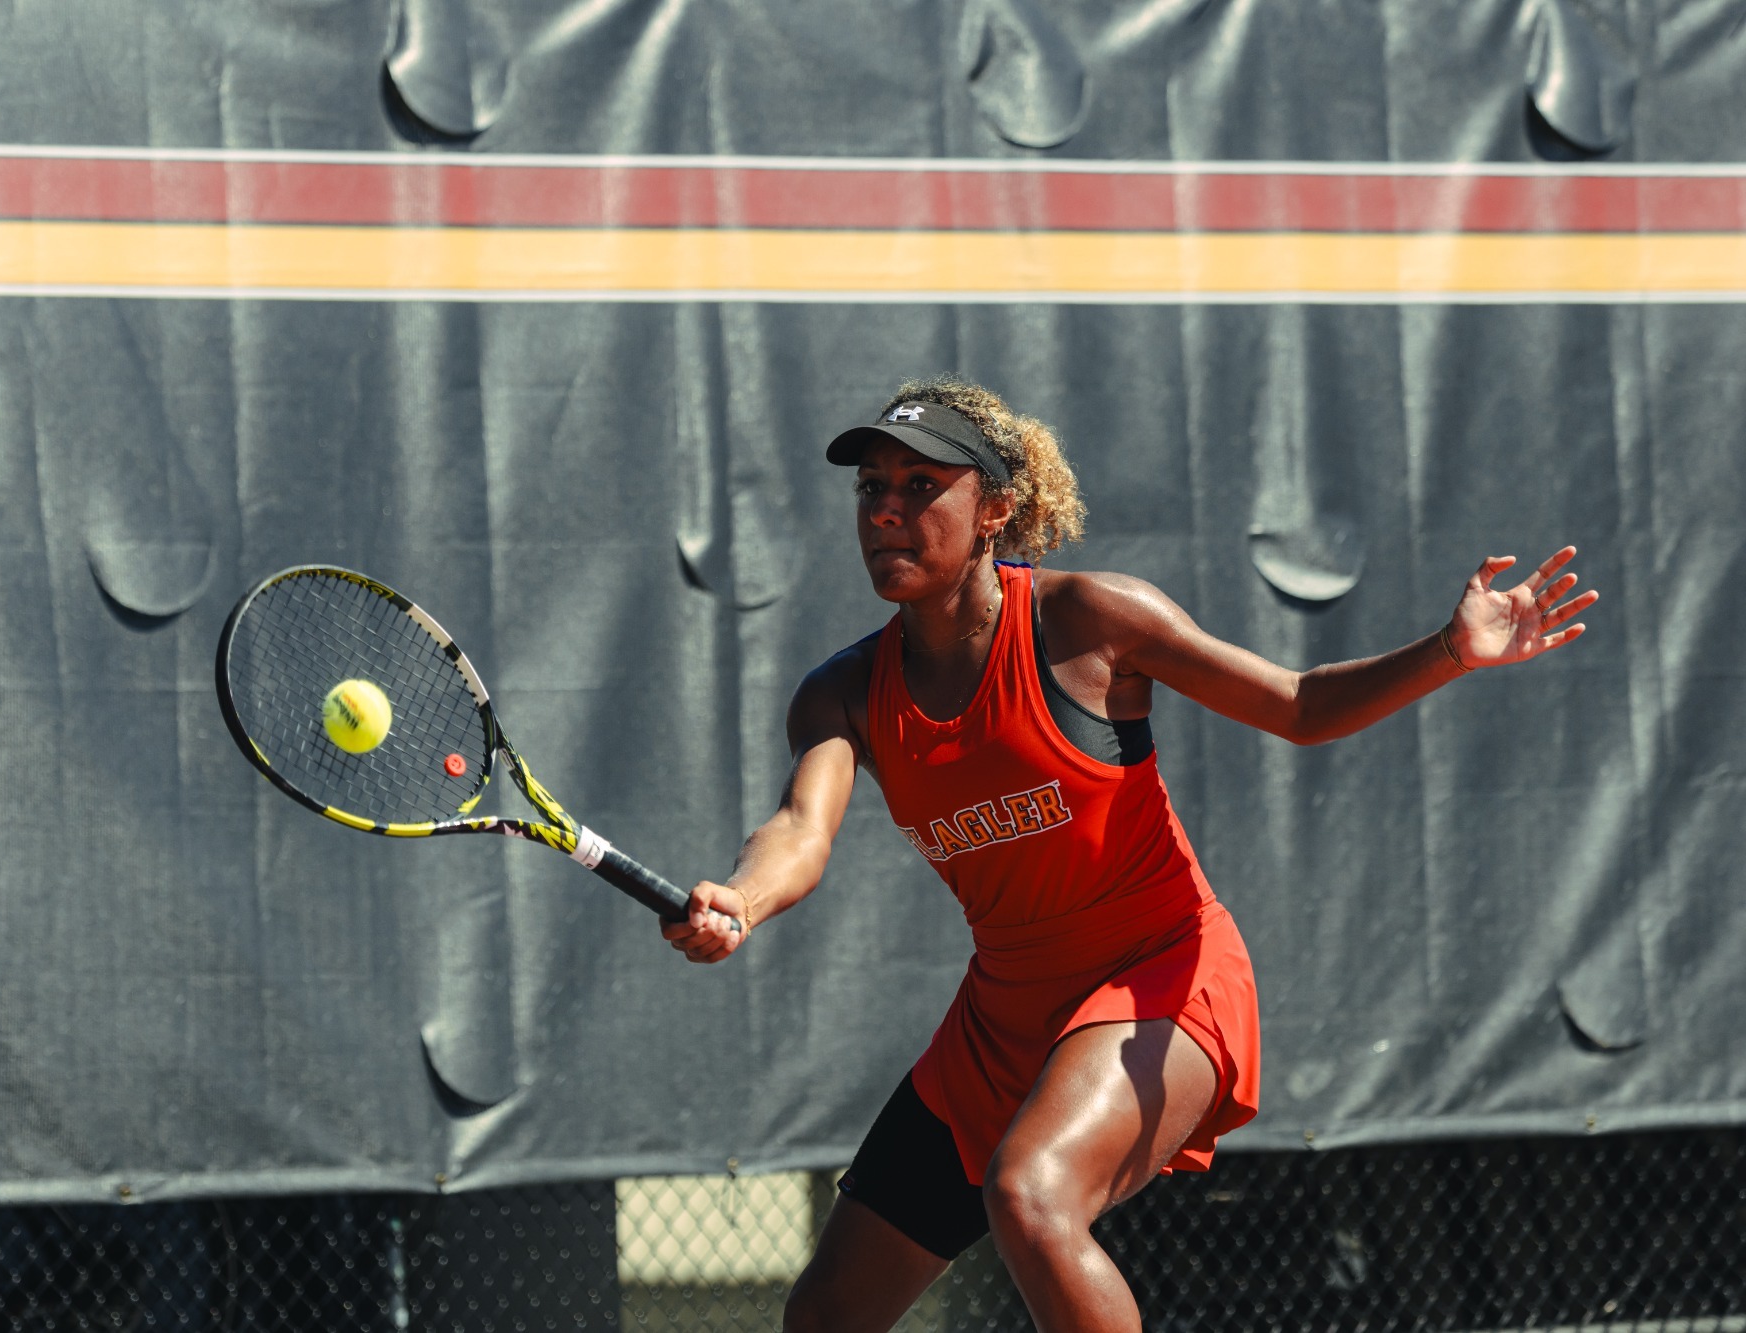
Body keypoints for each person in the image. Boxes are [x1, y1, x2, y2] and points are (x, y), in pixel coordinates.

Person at [660, 376, 1595, 1333]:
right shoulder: (845, 691)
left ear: (995, 509)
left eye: (919, 485)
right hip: (1003, 1020)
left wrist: (1450, 647)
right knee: (825, 1314)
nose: (887, 510)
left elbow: (1302, 705)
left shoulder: (1091, 621)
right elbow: (800, 830)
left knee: (1033, 1192)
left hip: (1164, 978)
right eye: (871, 488)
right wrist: (741, 895)